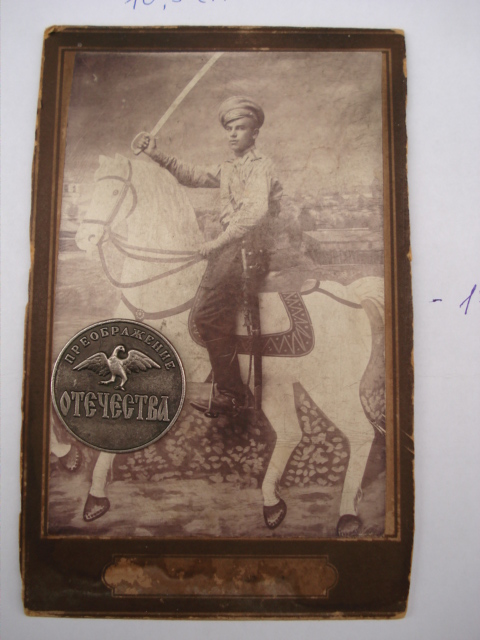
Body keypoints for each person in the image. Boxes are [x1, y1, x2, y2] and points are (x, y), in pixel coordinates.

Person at [135, 96, 283, 416]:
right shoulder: (229, 168)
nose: (233, 134)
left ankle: (232, 395)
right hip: (234, 249)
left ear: (255, 133)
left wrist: (216, 244)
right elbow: (193, 175)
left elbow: (253, 214)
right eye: (229, 129)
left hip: (251, 249)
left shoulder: (262, 166)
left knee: (207, 317)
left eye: (240, 128)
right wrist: (157, 154)